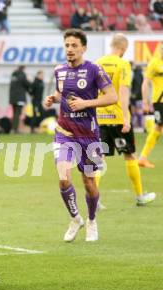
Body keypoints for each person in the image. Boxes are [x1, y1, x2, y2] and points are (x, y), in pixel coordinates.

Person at [44, 29, 117, 242]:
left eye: (74, 45)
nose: (70, 49)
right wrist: (53, 99)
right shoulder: (59, 70)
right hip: (64, 133)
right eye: (67, 45)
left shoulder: (94, 69)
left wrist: (86, 103)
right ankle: (75, 218)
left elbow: (111, 96)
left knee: (89, 183)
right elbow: (62, 95)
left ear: (83, 48)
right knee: (64, 178)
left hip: (89, 136)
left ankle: (92, 221)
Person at [95, 33, 156, 206]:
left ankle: (94, 200)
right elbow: (123, 92)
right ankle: (140, 196)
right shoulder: (123, 65)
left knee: (99, 158)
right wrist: (126, 118)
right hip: (117, 118)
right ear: (123, 48)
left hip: (100, 118)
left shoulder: (97, 63)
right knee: (130, 156)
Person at [138, 42, 163, 168]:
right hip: (160, 101)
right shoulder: (154, 63)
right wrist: (145, 102)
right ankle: (142, 157)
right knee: (158, 127)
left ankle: (142, 157)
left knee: (157, 129)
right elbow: (145, 83)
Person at [9, 65, 30, 133]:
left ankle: (13, 128)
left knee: (15, 112)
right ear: (23, 69)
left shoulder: (13, 75)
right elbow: (27, 84)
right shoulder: (22, 75)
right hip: (19, 98)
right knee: (17, 113)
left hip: (13, 98)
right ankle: (15, 129)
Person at [130, 63, 144, 130]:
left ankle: (139, 126)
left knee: (137, 111)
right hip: (139, 96)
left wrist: (134, 94)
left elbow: (138, 85)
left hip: (137, 97)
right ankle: (138, 126)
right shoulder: (140, 74)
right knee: (137, 111)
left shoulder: (137, 74)